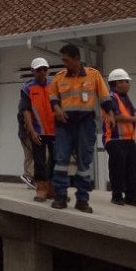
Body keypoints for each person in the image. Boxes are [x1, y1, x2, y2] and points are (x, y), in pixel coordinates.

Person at [49, 44, 113, 213]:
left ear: (76, 58)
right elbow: (53, 97)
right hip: (64, 125)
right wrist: (57, 109)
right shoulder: (59, 77)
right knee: (61, 161)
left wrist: (111, 115)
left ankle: (82, 200)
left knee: (84, 163)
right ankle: (60, 197)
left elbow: (105, 98)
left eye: (66, 60)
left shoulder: (93, 75)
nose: (64, 63)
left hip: (85, 124)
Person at [102, 68, 136, 207]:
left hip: (128, 139)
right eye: (126, 81)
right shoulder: (110, 97)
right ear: (117, 83)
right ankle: (117, 196)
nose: (128, 84)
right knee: (118, 168)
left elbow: (128, 116)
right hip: (115, 139)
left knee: (133, 169)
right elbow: (116, 116)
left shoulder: (125, 98)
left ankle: (131, 196)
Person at [20, 57, 56, 202]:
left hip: (54, 131)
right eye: (39, 70)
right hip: (38, 130)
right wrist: (32, 131)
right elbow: (26, 111)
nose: (42, 72)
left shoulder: (54, 85)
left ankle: (52, 188)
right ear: (32, 71)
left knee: (56, 159)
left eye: (44, 69)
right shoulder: (27, 88)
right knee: (39, 161)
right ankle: (41, 188)